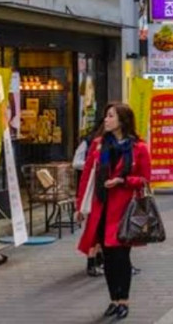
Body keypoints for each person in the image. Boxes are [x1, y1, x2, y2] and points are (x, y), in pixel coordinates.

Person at [75, 103, 151, 320]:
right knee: (108, 257)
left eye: (110, 116)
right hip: (102, 208)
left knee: (122, 257)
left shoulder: (139, 148)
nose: (106, 120)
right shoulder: (99, 145)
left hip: (125, 211)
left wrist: (123, 180)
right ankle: (113, 299)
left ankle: (123, 300)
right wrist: (80, 205)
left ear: (122, 120)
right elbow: (87, 176)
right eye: (106, 116)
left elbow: (146, 179)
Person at [73, 118, 104, 277]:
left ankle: (99, 259)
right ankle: (92, 260)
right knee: (94, 227)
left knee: (101, 229)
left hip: (105, 192)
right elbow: (76, 163)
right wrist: (92, 164)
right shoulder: (91, 142)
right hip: (94, 190)